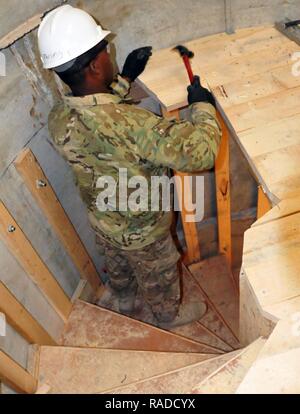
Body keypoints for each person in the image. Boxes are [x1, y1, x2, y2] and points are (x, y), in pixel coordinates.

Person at [38, 5, 221, 327]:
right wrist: (202, 105)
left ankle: (123, 300)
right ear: (96, 65)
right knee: (158, 274)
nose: (110, 56)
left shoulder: (58, 117)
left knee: (118, 265)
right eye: (106, 52)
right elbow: (202, 154)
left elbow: (99, 114)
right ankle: (168, 315)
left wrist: (124, 80)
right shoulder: (136, 125)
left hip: (103, 220)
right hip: (144, 230)